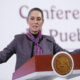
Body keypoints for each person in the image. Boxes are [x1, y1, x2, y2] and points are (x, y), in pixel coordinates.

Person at [0, 8, 79, 71]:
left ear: (42, 21)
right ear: (27, 21)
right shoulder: (19, 40)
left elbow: (67, 56)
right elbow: (3, 56)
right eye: (32, 19)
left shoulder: (50, 41)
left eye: (38, 19)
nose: (35, 22)